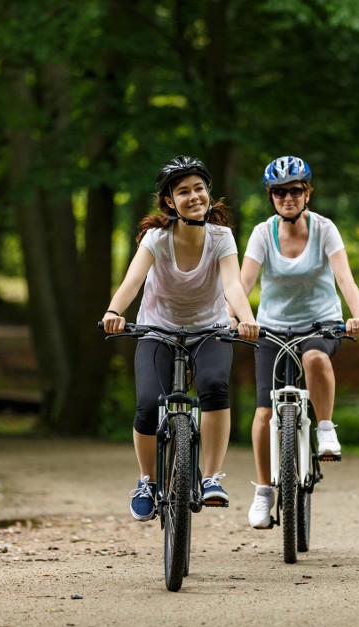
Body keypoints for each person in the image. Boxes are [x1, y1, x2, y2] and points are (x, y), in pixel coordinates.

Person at [101, 155, 259, 521]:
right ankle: (147, 481)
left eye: (199, 189)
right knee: (146, 403)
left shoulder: (221, 237)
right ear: (170, 201)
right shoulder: (157, 238)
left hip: (210, 329)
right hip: (157, 329)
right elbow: (132, 282)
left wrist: (247, 319)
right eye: (183, 191)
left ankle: (210, 478)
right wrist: (113, 312)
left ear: (208, 194)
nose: (194, 197)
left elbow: (233, 284)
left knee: (215, 387)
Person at [239, 155, 359, 529]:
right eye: (279, 192)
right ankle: (264, 492)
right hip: (272, 328)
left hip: (320, 323)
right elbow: (243, 284)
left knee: (314, 358)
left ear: (307, 193)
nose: (288, 197)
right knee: (264, 412)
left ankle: (325, 428)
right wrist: (236, 318)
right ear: (271, 197)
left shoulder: (325, 229)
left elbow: (345, 277)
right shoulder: (263, 233)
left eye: (295, 190)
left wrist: (356, 315)